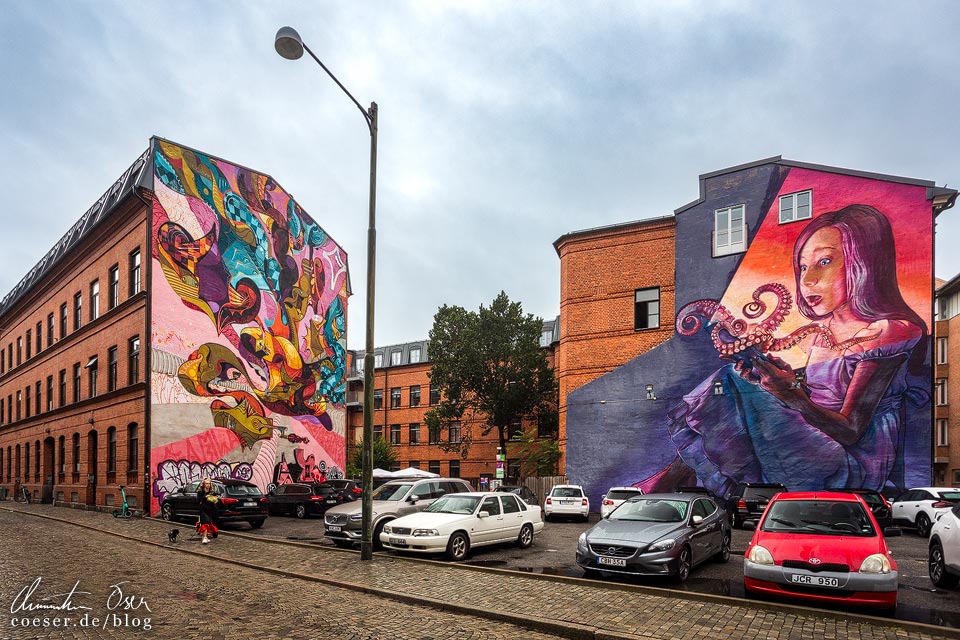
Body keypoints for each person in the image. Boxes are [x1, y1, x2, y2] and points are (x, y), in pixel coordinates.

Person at [668, 204, 926, 498]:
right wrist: (785, 379)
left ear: (865, 262)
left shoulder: (890, 331)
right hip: (816, 441)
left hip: (850, 465)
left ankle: (668, 482)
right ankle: (675, 480)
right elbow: (815, 397)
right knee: (738, 380)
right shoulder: (822, 333)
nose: (807, 280)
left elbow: (851, 430)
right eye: (803, 267)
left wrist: (789, 393)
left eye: (825, 261)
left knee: (730, 379)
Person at [196, 477, 220, 544]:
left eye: (209, 483)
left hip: (210, 510)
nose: (208, 485)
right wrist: (206, 498)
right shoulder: (200, 492)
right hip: (203, 510)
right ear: (203, 484)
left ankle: (206, 536)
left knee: (209, 523)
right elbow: (199, 500)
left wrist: (215, 498)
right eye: (206, 483)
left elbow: (215, 499)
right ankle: (204, 538)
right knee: (204, 523)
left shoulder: (212, 492)